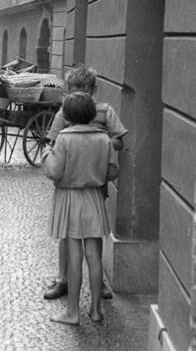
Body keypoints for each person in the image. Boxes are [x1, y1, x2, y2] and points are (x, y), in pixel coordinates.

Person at [42, 65, 127, 301]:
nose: (79, 93)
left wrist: (99, 144)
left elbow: (119, 140)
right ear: (68, 90)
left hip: (94, 181)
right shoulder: (64, 113)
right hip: (70, 181)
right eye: (74, 88)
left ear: (94, 89)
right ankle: (63, 280)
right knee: (66, 234)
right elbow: (52, 140)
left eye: (85, 88)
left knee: (94, 232)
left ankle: (98, 284)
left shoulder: (105, 111)